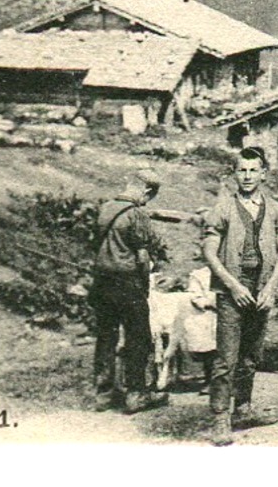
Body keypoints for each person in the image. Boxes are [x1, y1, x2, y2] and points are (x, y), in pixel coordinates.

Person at [201, 148, 278, 445]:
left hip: (261, 290)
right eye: (243, 170)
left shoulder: (275, 209)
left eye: (254, 170)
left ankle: (243, 408)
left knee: (251, 355)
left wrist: (270, 288)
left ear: (263, 173)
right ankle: (219, 418)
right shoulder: (223, 209)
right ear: (235, 174)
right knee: (226, 357)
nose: (248, 176)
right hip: (233, 292)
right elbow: (209, 252)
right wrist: (233, 286)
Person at [90, 168, 168, 414]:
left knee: (106, 337)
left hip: (102, 282)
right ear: (146, 190)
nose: (147, 202)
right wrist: (145, 285)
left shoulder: (105, 208)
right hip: (127, 283)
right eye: (149, 197)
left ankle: (103, 394)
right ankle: (136, 394)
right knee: (138, 337)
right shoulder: (136, 214)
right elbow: (143, 257)